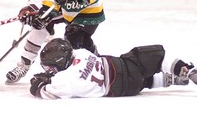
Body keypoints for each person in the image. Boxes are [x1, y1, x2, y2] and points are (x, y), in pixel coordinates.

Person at [29, 38, 197, 99]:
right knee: (157, 55)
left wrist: (37, 85)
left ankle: (170, 80)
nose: (49, 71)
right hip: (124, 67)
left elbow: (45, 92)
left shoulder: (63, 81)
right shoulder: (80, 53)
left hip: (123, 89)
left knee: (142, 80)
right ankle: (188, 71)